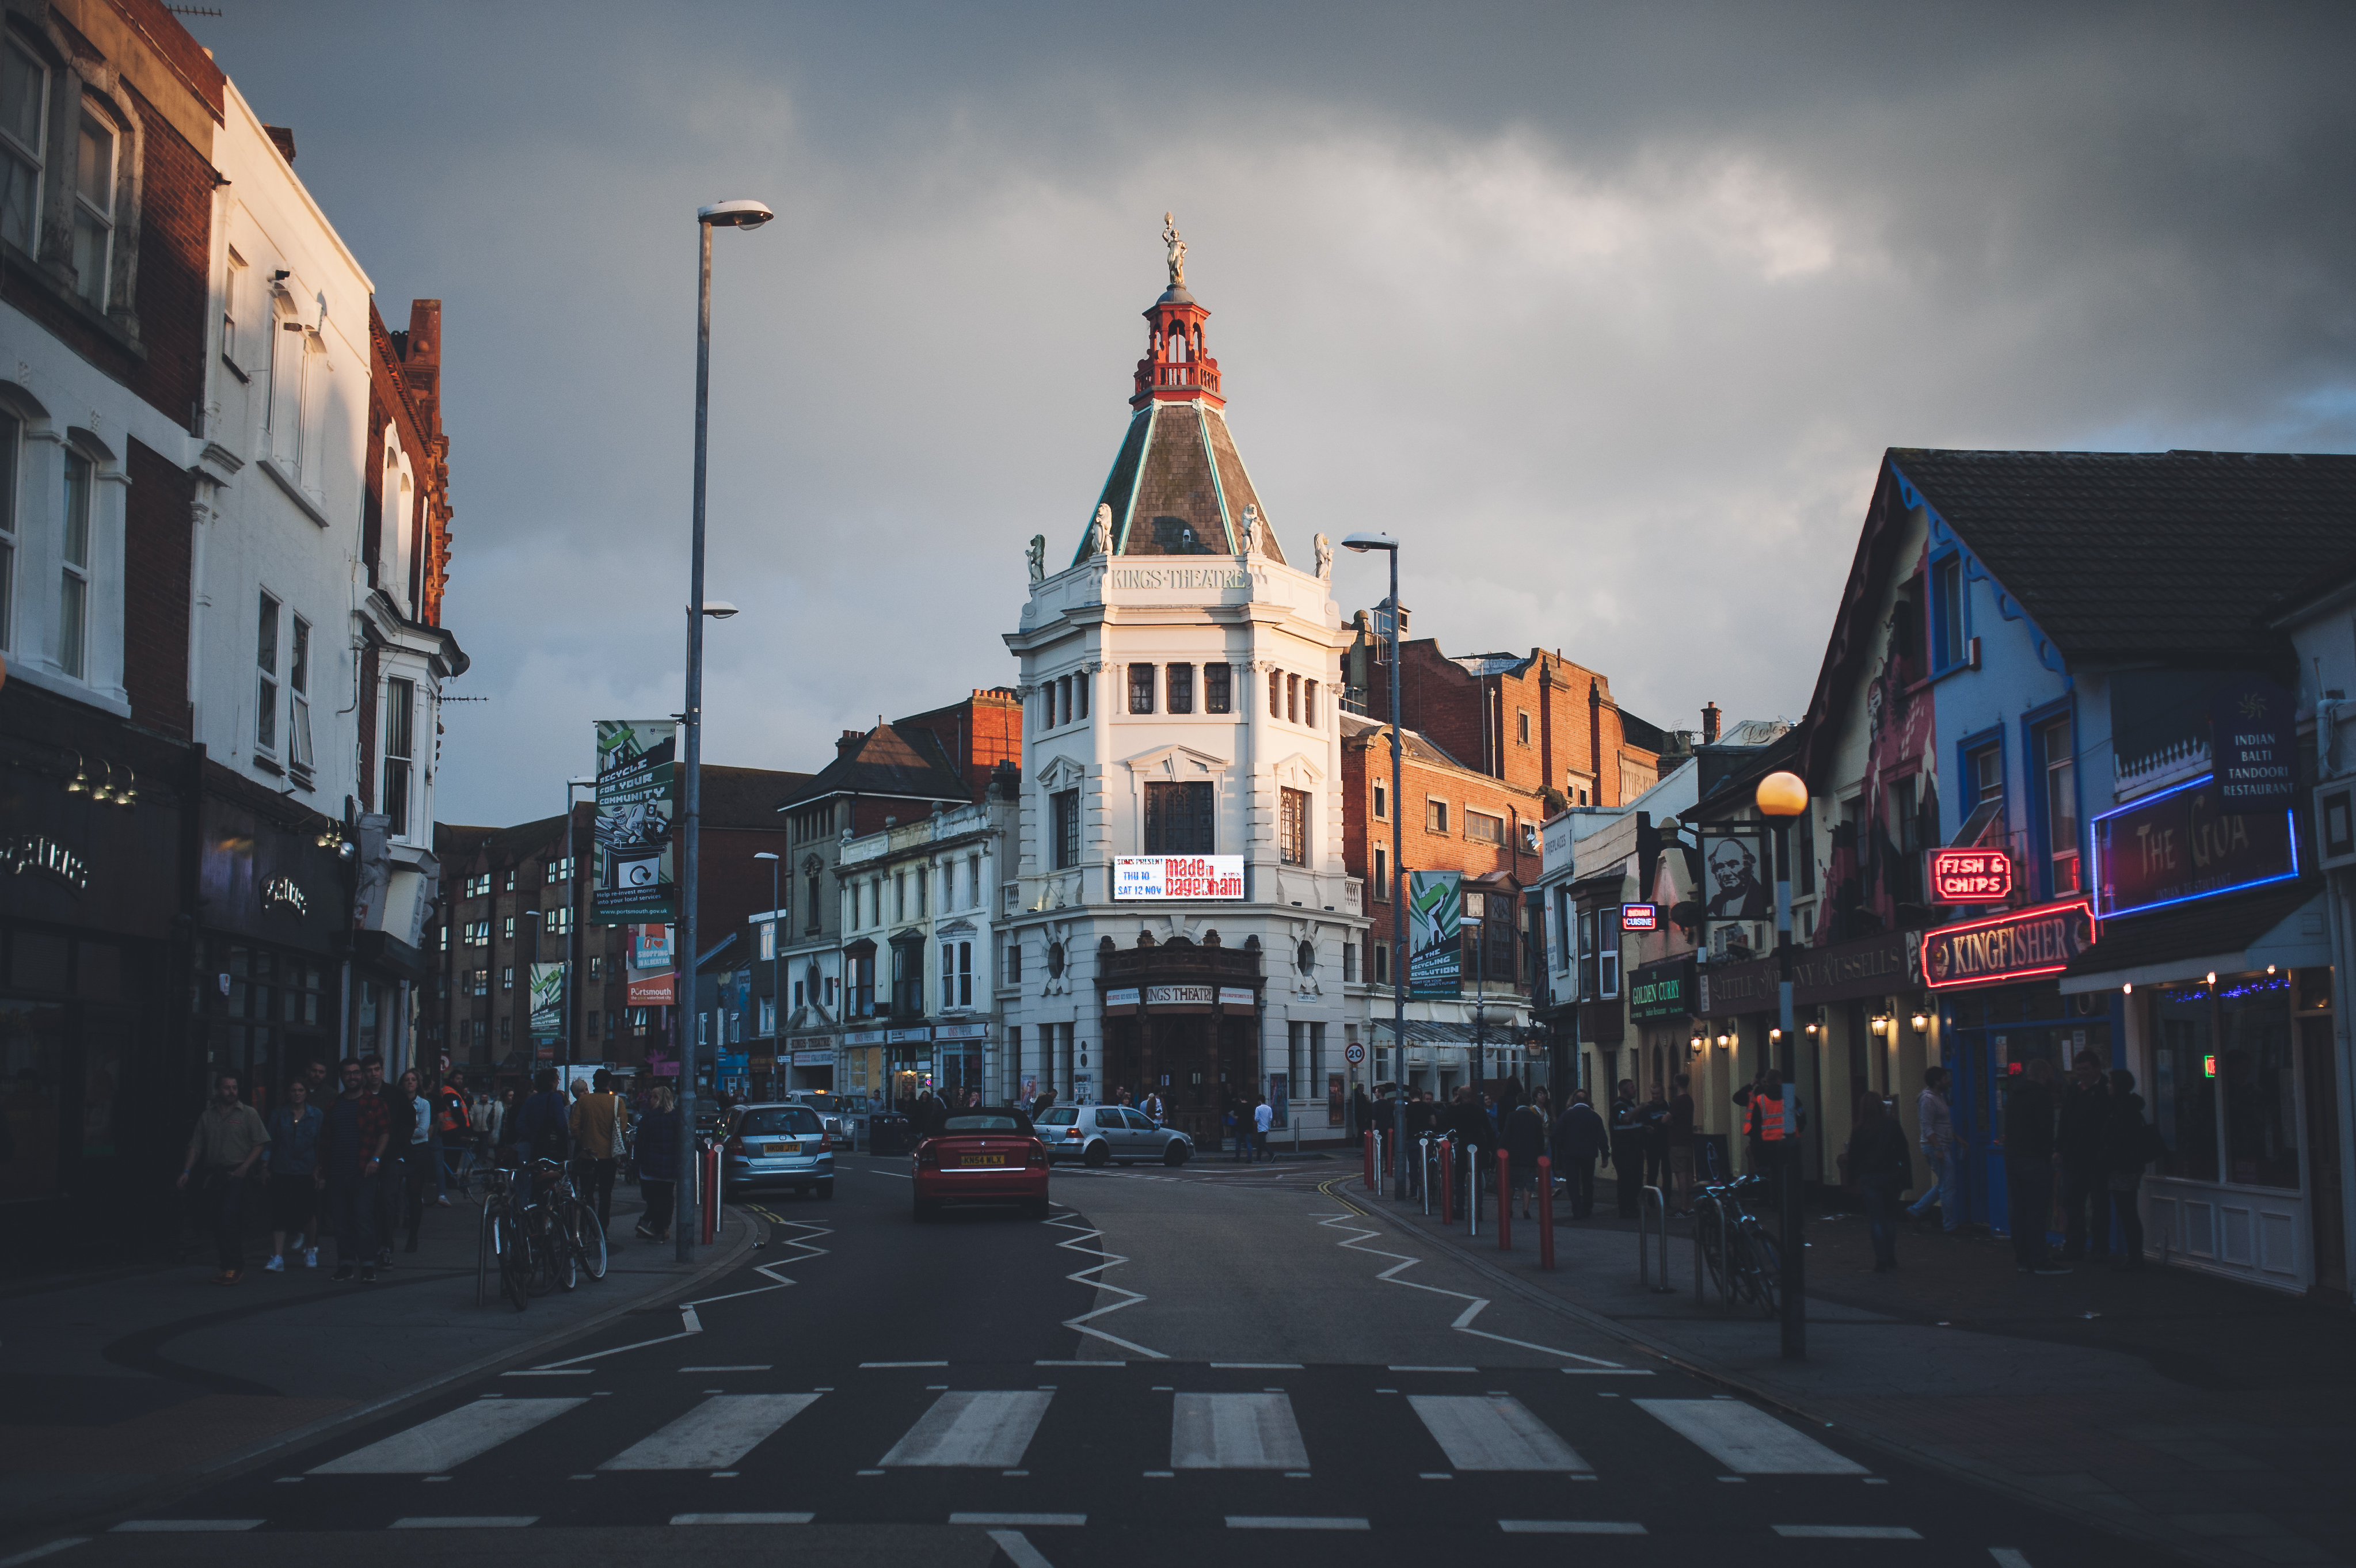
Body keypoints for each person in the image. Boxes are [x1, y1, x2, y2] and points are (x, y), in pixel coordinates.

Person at [178, 1071, 270, 1285]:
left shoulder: (248, 1114)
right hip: (215, 1174)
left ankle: (234, 1266)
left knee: (229, 1218)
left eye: (235, 1088)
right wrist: (186, 1171)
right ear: (218, 1090)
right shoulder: (207, 1116)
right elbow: (196, 1145)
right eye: (227, 1088)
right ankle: (226, 1265)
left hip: (236, 1173)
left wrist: (245, 1168)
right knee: (217, 1220)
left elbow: (260, 1143)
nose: (231, 1092)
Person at [317, 1057, 389, 1283]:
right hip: (337, 1172)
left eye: (356, 1073)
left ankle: (368, 1265)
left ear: (362, 1075)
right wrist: (320, 1170)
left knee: (363, 1219)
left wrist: (376, 1159)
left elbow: (385, 1132)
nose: (352, 1077)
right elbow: (325, 1140)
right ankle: (346, 1264)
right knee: (341, 1222)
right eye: (347, 1073)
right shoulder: (334, 1106)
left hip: (363, 1172)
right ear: (341, 1077)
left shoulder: (375, 1104)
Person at [2003, 1059, 2068, 1274]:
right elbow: (2044, 1133)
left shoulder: (2015, 1095)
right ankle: (2040, 1260)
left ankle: (2023, 1259)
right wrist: (2049, 1156)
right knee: (2036, 1212)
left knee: (2020, 1211)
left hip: (2014, 1159)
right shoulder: (2041, 1097)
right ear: (2045, 1075)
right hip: (2034, 1160)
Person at [1846, 1093, 1912, 1272]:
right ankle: (1891, 1256)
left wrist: (1851, 1178)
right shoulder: (1892, 1126)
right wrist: (1905, 1175)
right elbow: (1903, 1151)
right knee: (1889, 1217)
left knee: (1876, 1219)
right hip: (1890, 1176)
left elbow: (1853, 1156)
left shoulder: (1859, 1130)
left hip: (1869, 1177)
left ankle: (1881, 1260)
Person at [2057, 1050, 2113, 1262]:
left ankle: (2100, 1248)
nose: (2081, 1074)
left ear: (2097, 1068)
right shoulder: (2074, 1090)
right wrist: (2059, 1148)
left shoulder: (2106, 1090)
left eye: (2086, 1069)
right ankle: (2074, 1247)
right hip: (2074, 1157)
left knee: (2099, 1204)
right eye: (2079, 1070)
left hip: (2096, 1157)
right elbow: (2065, 1120)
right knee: (2074, 1204)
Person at [264, 1075, 323, 1272]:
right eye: (293, 1091)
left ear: (306, 1093)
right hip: (282, 1169)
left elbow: (321, 1145)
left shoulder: (316, 1115)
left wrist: (319, 1169)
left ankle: (311, 1249)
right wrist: (265, 1165)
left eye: (301, 1091)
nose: (297, 1094)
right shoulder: (279, 1115)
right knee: (279, 1212)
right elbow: (270, 1141)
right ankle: (278, 1256)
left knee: (308, 1211)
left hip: (306, 1170)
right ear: (288, 1094)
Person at [2103, 1068, 2157, 1270]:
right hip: (2127, 1165)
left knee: (2127, 1211)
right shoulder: (2127, 1106)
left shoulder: (2122, 1109)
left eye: (2110, 1083)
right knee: (2128, 1211)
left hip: (2123, 1166)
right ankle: (2135, 1255)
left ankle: (2135, 1256)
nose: (2107, 1086)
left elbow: (2120, 1139)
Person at [569, 1068, 631, 1236]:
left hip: (588, 1154)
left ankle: (588, 1223)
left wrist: (584, 1141)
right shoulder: (617, 1102)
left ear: (594, 1083)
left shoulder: (584, 1102)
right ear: (609, 1083)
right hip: (609, 1156)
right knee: (606, 1194)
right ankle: (602, 1228)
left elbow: (574, 1127)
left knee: (587, 1193)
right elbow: (623, 1128)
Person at [1905, 1067, 1961, 1231]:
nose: (1948, 1081)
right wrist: (1937, 1148)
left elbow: (1942, 1124)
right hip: (1935, 1147)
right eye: (1945, 1079)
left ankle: (1915, 1211)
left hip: (1941, 1144)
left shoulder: (1939, 1097)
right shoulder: (1928, 1100)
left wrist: (1957, 1138)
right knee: (1948, 1186)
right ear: (1937, 1082)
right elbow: (1927, 1127)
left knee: (1944, 1184)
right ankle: (1949, 1225)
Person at [634, 1084, 681, 1242]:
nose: (650, 1099)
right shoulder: (677, 1117)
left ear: (660, 1099)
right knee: (666, 1199)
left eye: (653, 1096)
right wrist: (704, 1149)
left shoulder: (649, 1117)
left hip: (651, 1167)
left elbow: (640, 1144)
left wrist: (635, 1166)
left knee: (653, 1199)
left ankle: (647, 1224)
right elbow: (688, 1139)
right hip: (669, 1168)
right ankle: (661, 1229)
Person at [1551, 1089, 1606, 1219]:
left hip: (1571, 1153)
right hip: (1589, 1153)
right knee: (1588, 1181)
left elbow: (1555, 1134)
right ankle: (1587, 1207)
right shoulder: (1595, 1116)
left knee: (1573, 1182)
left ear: (1574, 1100)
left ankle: (1577, 1208)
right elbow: (1602, 1138)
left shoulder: (1567, 1115)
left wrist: (1564, 1146)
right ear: (1588, 1101)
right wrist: (1605, 1155)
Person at [395, 1068, 433, 1253]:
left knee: (414, 1194)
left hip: (418, 1152)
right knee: (392, 1192)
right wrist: (410, 1127)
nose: (410, 1082)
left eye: (413, 1080)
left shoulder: (424, 1104)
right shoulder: (398, 1103)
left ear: (417, 1084)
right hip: (401, 1151)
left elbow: (422, 1130)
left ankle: (413, 1237)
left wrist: (404, 1130)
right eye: (406, 1080)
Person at [511, 1069, 570, 1166]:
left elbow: (520, 1124)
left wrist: (533, 1136)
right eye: (556, 1080)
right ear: (551, 1082)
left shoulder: (531, 1100)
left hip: (536, 1146)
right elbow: (561, 1123)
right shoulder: (555, 1098)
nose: (558, 1082)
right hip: (553, 1146)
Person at [1505, 1093, 1548, 1219]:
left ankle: (1509, 1208)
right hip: (1531, 1154)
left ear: (1518, 1102)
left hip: (1514, 1155)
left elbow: (1506, 1135)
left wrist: (1500, 1150)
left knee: (1512, 1183)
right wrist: (1540, 1153)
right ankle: (1526, 1210)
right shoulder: (1535, 1118)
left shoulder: (1511, 1116)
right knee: (1528, 1183)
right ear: (1530, 1103)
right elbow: (1540, 1138)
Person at [433, 1069, 471, 1202]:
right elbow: (456, 1112)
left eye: (461, 1079)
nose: (460, 1081)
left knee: (452, 1157)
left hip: (451, 1130)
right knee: (453, 1158)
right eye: (458, 1079)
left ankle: (451, 1179)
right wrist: (465, 1127)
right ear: (451, 1080)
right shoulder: (451, 1093)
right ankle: (451, 1180)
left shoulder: (450, 1092)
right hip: (453, 1130)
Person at [1609, 1079, 1645, 1217]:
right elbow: (1625, 1119)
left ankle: (1633, 1206)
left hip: (1635, 1151)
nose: (1635, 1089)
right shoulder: (1618, 1106)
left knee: (1637, 1180)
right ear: (1624, 1091)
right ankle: (1625, 1209)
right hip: (1623, 1152)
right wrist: (1641, 1107)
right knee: (1626, 1180)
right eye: (1632, 1087)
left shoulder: (1631, 1105)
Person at [1665, 1074, 1696, 1215]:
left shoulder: (1679, 1101)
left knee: (1681, 1176)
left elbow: (1665, 1119)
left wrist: (1668, 1120)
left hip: (1677, 1142)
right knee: (1689, 1175)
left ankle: (1684, 1207)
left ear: (1676, 1083)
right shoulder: (1689, 1100)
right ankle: (1690, 1206)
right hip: (1688, 1141)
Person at [1253, 1094, 1274, 1162]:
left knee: (1263, 1144)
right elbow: (1270, 1119)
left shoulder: (1258, 1109)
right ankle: (1258, 1159)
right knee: (1259, 1144)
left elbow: (1256, 1119)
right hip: (1266, 1128)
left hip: (1260, 1128)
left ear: (1259, 1101)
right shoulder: (1269, 1108)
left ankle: (1272, 1155)